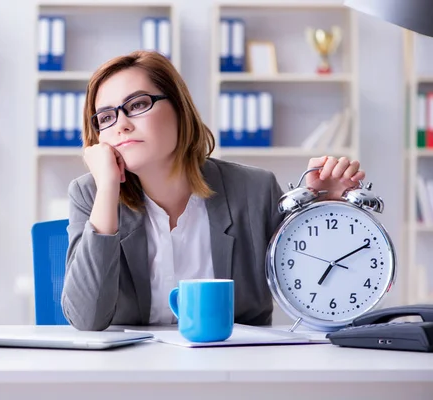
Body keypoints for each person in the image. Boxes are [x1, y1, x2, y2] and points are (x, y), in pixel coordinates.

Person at [61, 50, 366, 331]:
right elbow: (87, 319)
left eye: (138, 104)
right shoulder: (91, 194)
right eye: (105, 117)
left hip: (235, 372)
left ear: (180, 109)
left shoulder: (254, 191)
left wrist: (327, 214)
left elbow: (321, 298)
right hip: (133, 376)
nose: (121, 125)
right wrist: (108, 187)